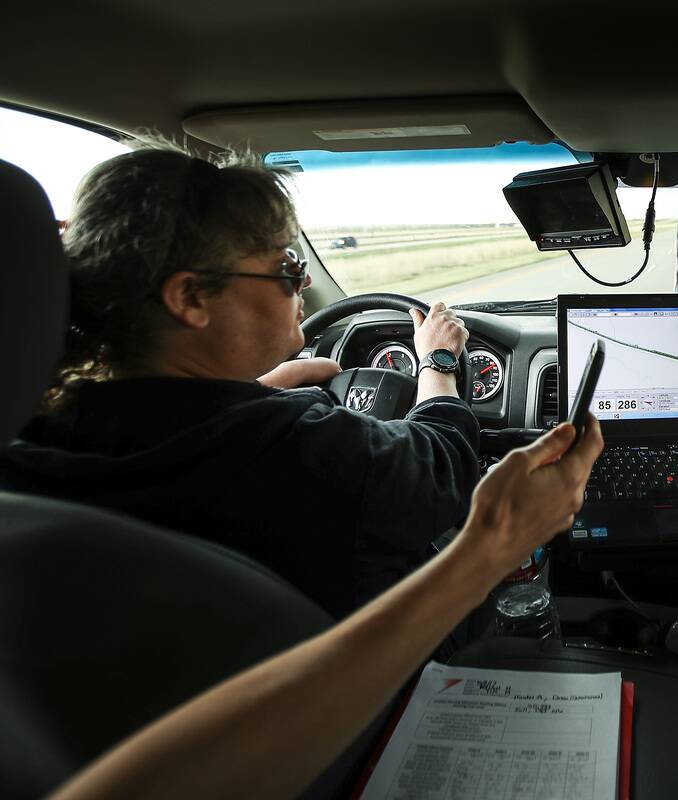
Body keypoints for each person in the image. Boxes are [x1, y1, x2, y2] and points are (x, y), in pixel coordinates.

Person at [0, 142, 479, 618]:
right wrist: (437, 362)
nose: (305, 282)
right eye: (286, 267)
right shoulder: (294, 448)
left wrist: (252, 392)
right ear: (190, 298)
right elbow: (443, 471)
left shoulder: (33, 438)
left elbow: (183, 426)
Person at [48, 415, 604, 800]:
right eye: (284, 279)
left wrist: (261, 386)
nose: (302, 288)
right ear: (190, 299)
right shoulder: (302, 440)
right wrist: (492, 549)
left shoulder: (37, 450)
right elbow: (437, 462)